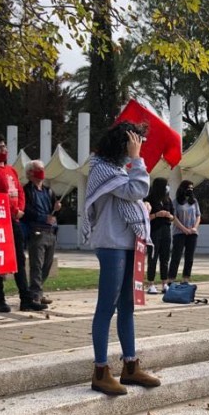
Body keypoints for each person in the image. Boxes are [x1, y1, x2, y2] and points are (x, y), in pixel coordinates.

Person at [82, 122, 161, 396]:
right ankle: (100, 371)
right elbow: (136, 190)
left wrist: (142, 206)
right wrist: (138, 158)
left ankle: (130, 366)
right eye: (134, 143)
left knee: (127, 306)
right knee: (107, 306)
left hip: (130, 244)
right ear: (124, 143)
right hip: (112, 245)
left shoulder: (116, 171)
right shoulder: (102, 169)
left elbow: (133, 197)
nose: (136, 150)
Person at [0, 133, 46, 312]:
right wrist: (13, 210)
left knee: (18, 260)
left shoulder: (11, 170)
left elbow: (20, 191)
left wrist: (20, 210)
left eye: (4, 146)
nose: (4, 150)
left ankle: (25, 299)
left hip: (15, 221)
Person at [22, 160, 61, 307]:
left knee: (47, 265)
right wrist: (43, 217)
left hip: (51, 231)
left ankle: (36, 292)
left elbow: (54, 211)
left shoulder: (48, 191)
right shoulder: (26, 191)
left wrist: (57, 208)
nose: (42, 171)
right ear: (30, 173)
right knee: (36, 265)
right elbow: (26, 211)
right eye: (38, 169)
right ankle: (35, 295)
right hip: (36, 231)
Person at [144, 177, 174, 294]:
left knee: (165, 258)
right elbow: (146, 217)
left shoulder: (168, 200)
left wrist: (169, 216)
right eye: (166, 185)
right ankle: (151, 283)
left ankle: (164, 283)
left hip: (166, 229)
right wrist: (157, 214)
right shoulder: (149, 200)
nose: (168, 187)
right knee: (153, 257)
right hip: (154, 230)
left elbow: (173, 216)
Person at [169, 180, 200, 284]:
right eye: (188, 188)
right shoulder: (176, 202)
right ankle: (171, 279)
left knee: (189, 257)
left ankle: (186, 278)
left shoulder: (194, 201)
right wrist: (184, 229)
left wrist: (194, 228)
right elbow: (174, 217)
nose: (190, 190)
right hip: (179, 233)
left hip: (192, 233)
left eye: (192, 188)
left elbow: (198, 216)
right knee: (176, 256)